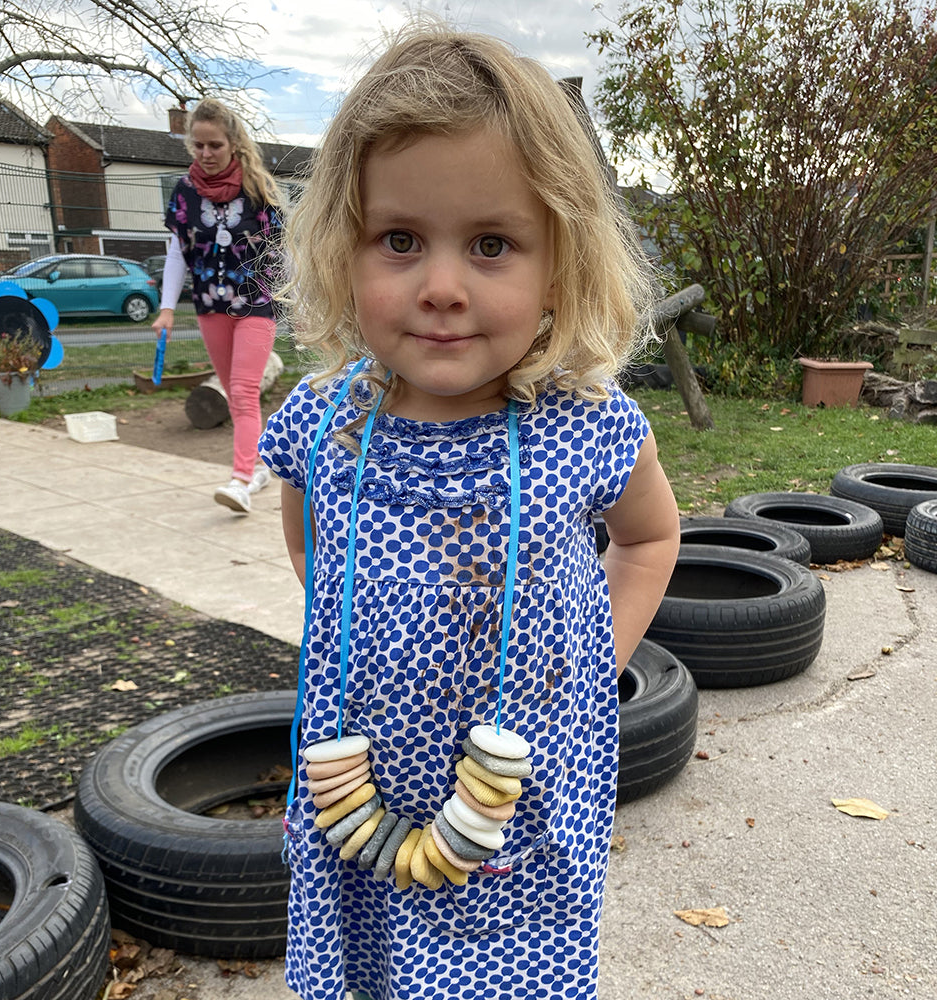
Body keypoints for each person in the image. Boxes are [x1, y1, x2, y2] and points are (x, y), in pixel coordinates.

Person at [258, 23, 681, 1000]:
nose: (441, 287)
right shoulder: (324, 422)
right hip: (354, 803)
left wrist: (588, 668)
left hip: (514, 813)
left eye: (490, 244)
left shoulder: (587, 426)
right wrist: (353, 641)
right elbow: (312, 548)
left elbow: (651, 538)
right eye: (399, 240)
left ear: (558, 260)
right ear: (343, 247)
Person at [153, 97, 283, 514]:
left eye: (215, 145)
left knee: (244, 391)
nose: (206, 154)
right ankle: (261, 465)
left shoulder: (258, 188)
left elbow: (282, 251)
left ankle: (241, 480)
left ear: (234, 144)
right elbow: (177, 253)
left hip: (255, 305)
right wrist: (167, 307)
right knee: (234, 394)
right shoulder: (185, 193)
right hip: (209, 304)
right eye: (198, 145)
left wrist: (292, 295)